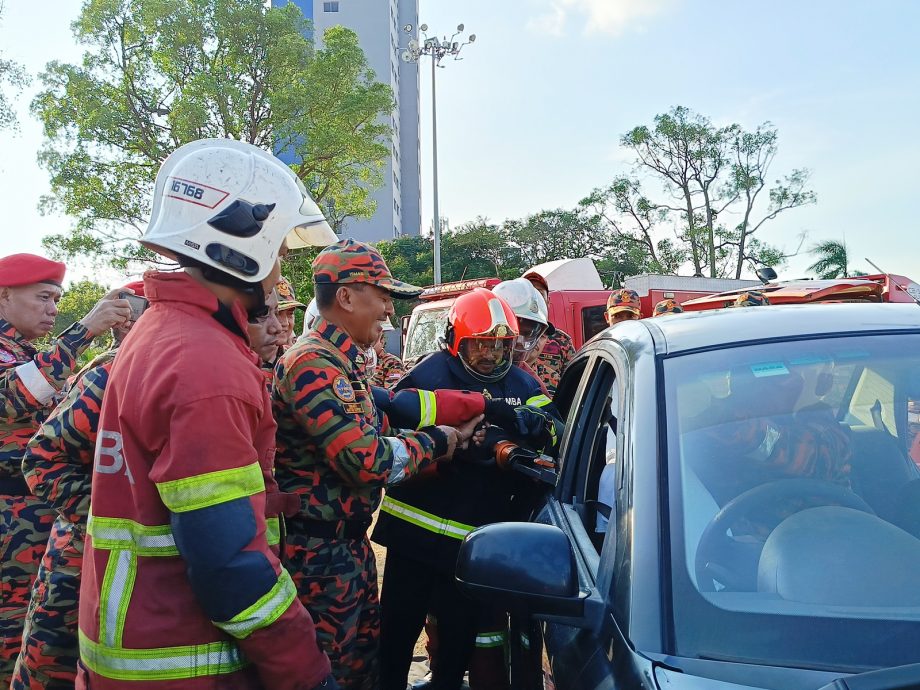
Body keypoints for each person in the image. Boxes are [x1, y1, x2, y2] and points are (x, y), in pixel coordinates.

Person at [77, 138, 337, 690]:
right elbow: (229, 566)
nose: (277, 273)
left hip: (140, 651)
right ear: (241, 245)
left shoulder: (163, 332)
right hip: (186, 662)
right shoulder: (205, 365)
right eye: (278, 255)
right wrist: (305, 672)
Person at [272, 239, 483, 690]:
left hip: (344, 551)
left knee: (364, 671)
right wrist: (438, 441)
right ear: (346, 296)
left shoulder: (345, 363)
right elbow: (364, 460)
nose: (389, 310)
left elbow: (375, 438)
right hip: (316, 560)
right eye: (383, 295)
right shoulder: (312, 363)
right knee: (331, 674)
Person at [373, 287, 563, 690]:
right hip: (413, 540)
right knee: (394, 637)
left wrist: (511, 422)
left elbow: (556, 433)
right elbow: (390, 428)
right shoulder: (428, 375)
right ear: (454, 341)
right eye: (479, 347)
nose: (491, 357)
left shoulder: (524, 383)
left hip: (471, 547)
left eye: (500, 347)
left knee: (457, 644)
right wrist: (449, 444)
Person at [0, 254, 130, 684]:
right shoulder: (17, 358)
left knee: (34, 633)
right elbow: (14, 397)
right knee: (10, 633)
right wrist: (85, 329)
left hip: (40, 513)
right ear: (3, 299)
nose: (53, 308)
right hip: (9, 521)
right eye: (42, 297)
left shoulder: (27, 352)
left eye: (57, 298)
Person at [493, 278, 552, 394]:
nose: (520, 341)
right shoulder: (456, 368)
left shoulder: (531, 382)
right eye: (515, 331)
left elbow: (546, 411)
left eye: (527, 334)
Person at [522, 272, 575, 397]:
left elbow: (573, 381)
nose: (535, 299)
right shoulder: (508, 336)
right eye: (530, 293)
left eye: (539, 294)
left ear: (548, 301)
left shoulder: (562, 340)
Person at [370, 318, 406, 389]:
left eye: (372, 341)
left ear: (382, 342)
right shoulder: (357, 360)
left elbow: (391, 394)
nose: (368, 344)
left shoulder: (393, 363)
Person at [276, 275, 306, 351]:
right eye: (276, 313)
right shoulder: (244, 360)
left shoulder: (298, 359)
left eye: (290, 314)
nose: (285, 323)